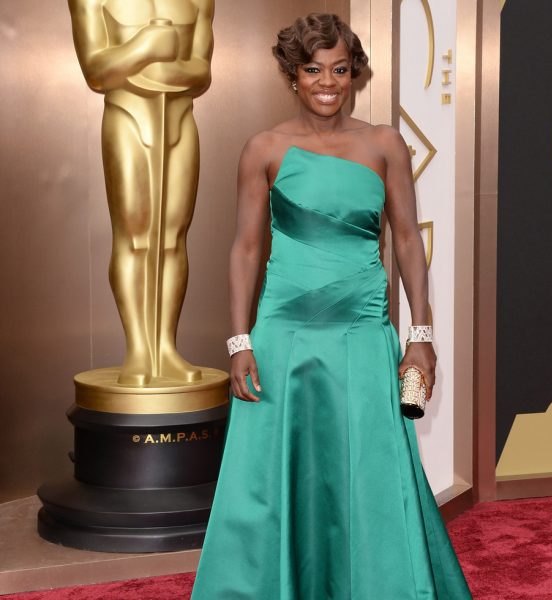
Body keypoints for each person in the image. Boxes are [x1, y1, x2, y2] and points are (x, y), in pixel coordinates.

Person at [191, 13, 471, 599]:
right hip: (283, 336)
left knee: (371, 469)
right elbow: (246, 249)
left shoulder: (384, 144)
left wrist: (420, 334)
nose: (327, 83)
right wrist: (239, 341)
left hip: (363, 331)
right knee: (274, 474)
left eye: (339, 70)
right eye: (313, 70)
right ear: (293, 75)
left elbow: (408, 241)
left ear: (355, 74)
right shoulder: (263, 148)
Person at [68, 0, 214, 386]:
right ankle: (138, 348)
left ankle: (164, 347)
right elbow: (96, 70)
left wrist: (159, 68)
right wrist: (144, 48)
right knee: (134, 237)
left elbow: (202, 72)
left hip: (179, 119)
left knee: (172, 238)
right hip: (127, 116)